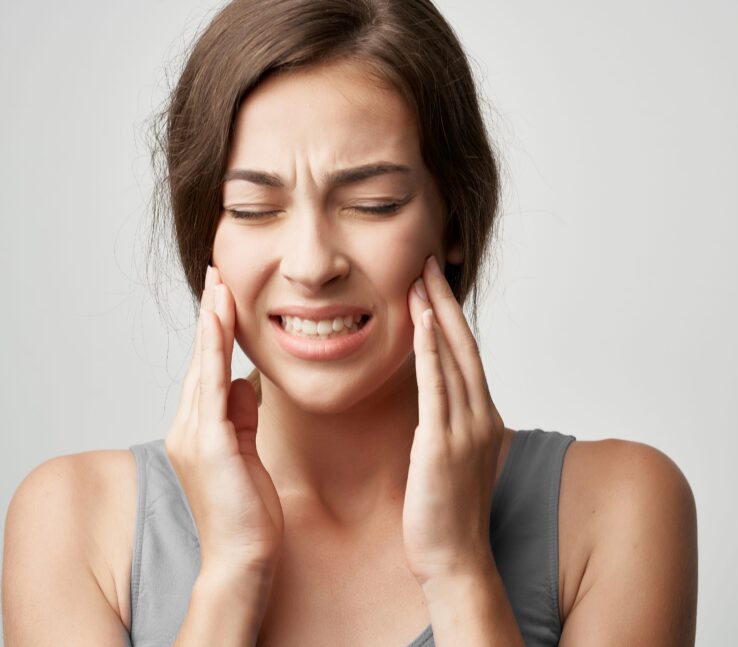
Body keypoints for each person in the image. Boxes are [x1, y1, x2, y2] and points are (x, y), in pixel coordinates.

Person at [2, 0, 697, 645]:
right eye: (252, 208)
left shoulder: (617, 507)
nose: (311, 264)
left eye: (373, 202)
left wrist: (461, 574)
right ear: (206, 233)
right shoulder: (75, 522)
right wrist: (231, 576)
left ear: (452, 220)